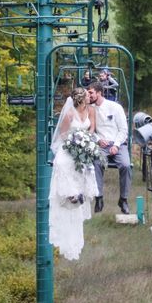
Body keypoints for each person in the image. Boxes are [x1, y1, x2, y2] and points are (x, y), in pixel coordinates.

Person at [49, 87, 98, 260]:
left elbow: (92, 128)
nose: (89, 97)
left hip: (83, 145)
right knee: (62, 163)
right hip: (69, 146)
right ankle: (70, 194)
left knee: (84, 165)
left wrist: (85, 140)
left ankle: (80, 192)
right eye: (87, 96)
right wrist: (74, 142)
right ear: (81, 99)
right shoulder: (70, 114)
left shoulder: (91, 110)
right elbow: (62, 134)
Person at [87, 81, 132, 214]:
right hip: (102, 143)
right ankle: (99, 197)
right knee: (96, 162)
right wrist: (99, 140)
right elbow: (91, 130)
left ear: (99, 93)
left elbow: (123, 129)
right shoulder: (91, 109)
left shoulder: (115, 107)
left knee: (126, 165)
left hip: (118, 143)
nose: (88, 96)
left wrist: (117, 145)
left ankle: (123, 199)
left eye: (91, 93)